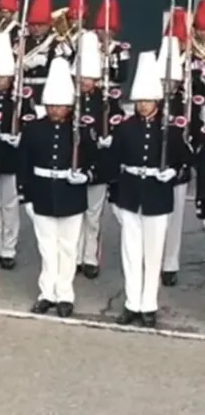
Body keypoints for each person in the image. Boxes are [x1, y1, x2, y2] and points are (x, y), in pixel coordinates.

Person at [107, 50, 193, 328]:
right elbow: (115, 163)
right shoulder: (125, 128)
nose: (143, 105)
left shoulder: (169, 130)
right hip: (131, 193)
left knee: (154, 252)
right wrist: (115, 196)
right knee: (131, 251)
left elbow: (185, 160)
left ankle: (149, 304)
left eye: (147, 100)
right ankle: (132, 302)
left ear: (156, 100)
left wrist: (174, 172)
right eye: (139, 100)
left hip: (157, 194)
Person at [18, 58, 95, 319]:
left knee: (68, 247)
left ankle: (65, 294)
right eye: (51, 105)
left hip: (70, 192)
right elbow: (24, 163)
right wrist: (25, 194)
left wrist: (85, 175)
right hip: (42, 192)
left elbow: (94, 158)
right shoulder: (34, 129)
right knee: (46, 247)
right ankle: (46, 293)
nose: (55, 110)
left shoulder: (81, 130)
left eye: (61, 106)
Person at [74, 30, 125, 279]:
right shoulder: (69, 97)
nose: (85, 81)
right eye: (82, 76)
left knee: (93, 215)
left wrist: (110, 137)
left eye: (90, 78)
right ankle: (74, 256)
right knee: (73, 213)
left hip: (98, 162)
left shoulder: (107, 101)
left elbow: (118, 125)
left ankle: (90, 256)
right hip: (75, 161)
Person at [0, 24, 34, 270]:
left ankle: (9, 247)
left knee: (10, 204)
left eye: (2, 77)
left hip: (12, 157)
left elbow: (31, 122)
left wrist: (21, 135)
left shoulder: (20, 99)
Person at [159, 16, 196, 287]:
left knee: (176, 211)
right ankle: (154, 256)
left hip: (184, 142)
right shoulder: (158, 66)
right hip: (157, 147)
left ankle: (169, 262)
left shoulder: (195, 69)